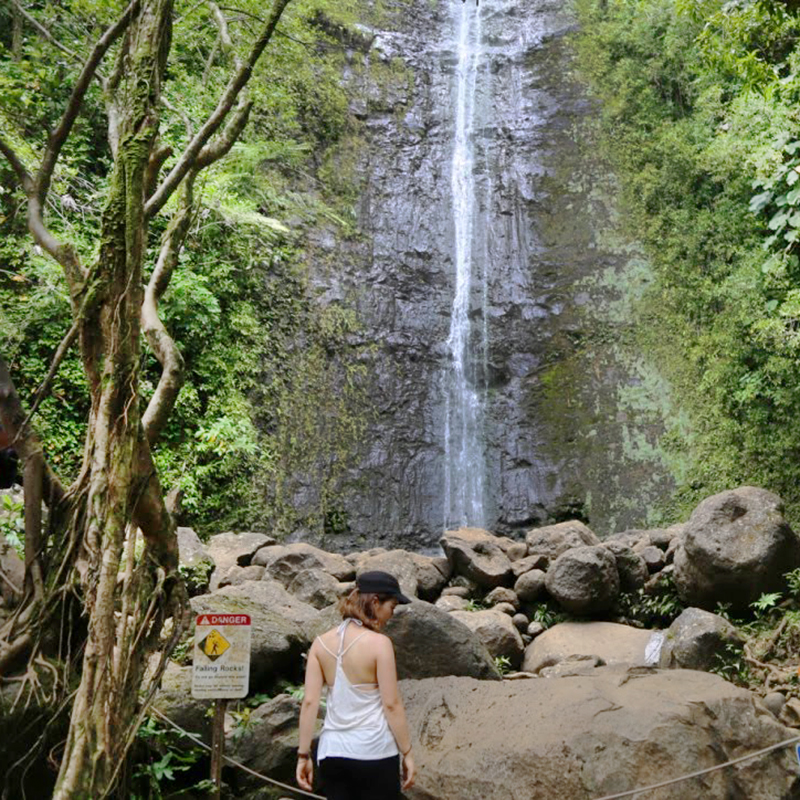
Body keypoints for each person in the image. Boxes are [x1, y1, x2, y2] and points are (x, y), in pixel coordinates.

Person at [296, 571, 417, 799]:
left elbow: (310, 702)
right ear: (375, 602)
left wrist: (303, 755)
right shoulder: (380, 644)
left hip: (332, 754)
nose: (390, 615)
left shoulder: (320, 644)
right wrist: (407, 752)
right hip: (375, 752)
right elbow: (391, 704)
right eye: (391, 607)